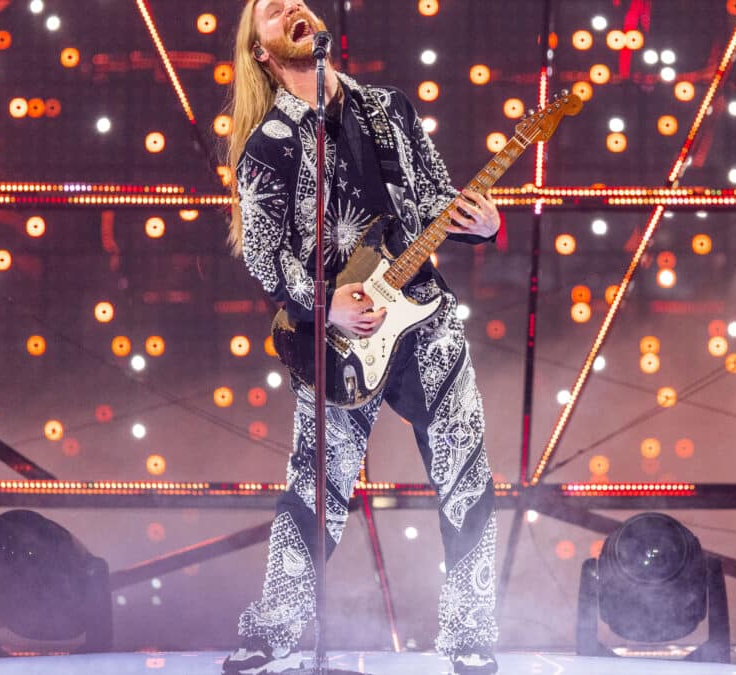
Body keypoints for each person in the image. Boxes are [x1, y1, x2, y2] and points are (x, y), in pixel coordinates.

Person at [220, 2, 501, 674]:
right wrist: (329, 306)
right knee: (318, 488)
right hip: (337, 338)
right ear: (260, 51)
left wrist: (482, 223)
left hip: (424, 316)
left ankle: (470, 636)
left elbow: (434, 198)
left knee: (466, 472)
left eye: (296, 0)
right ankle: (275, 631)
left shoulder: (389, 107)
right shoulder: (268, 145)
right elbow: (264, 259)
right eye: (271, 10)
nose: (291, 7)